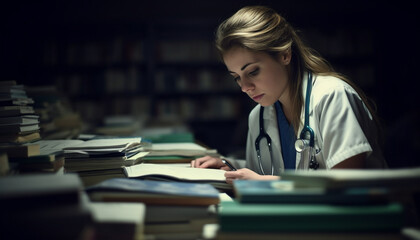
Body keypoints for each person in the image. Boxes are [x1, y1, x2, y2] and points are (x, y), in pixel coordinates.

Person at [191, 5, 387, 184]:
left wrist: (270, 184)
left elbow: (347, 185)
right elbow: (265, 171)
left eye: (252, 72)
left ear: (285, 55)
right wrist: (231, 166)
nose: (245, 87)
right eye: (236, 77)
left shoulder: (332, 96)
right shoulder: (258, 117)